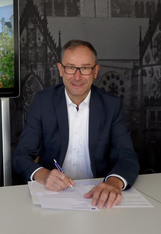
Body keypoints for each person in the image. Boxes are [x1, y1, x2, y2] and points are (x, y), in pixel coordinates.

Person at [13, 39, 139, 209]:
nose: (77, 77)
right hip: (53, 196)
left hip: (97, 197)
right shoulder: (43, 101)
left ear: (95, 71)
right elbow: (21, 155)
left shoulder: (112, 104)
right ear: (60, 70)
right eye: (71, 68)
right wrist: (44, 175)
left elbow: (127, 156)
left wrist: (115, 182)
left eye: (85, 68)